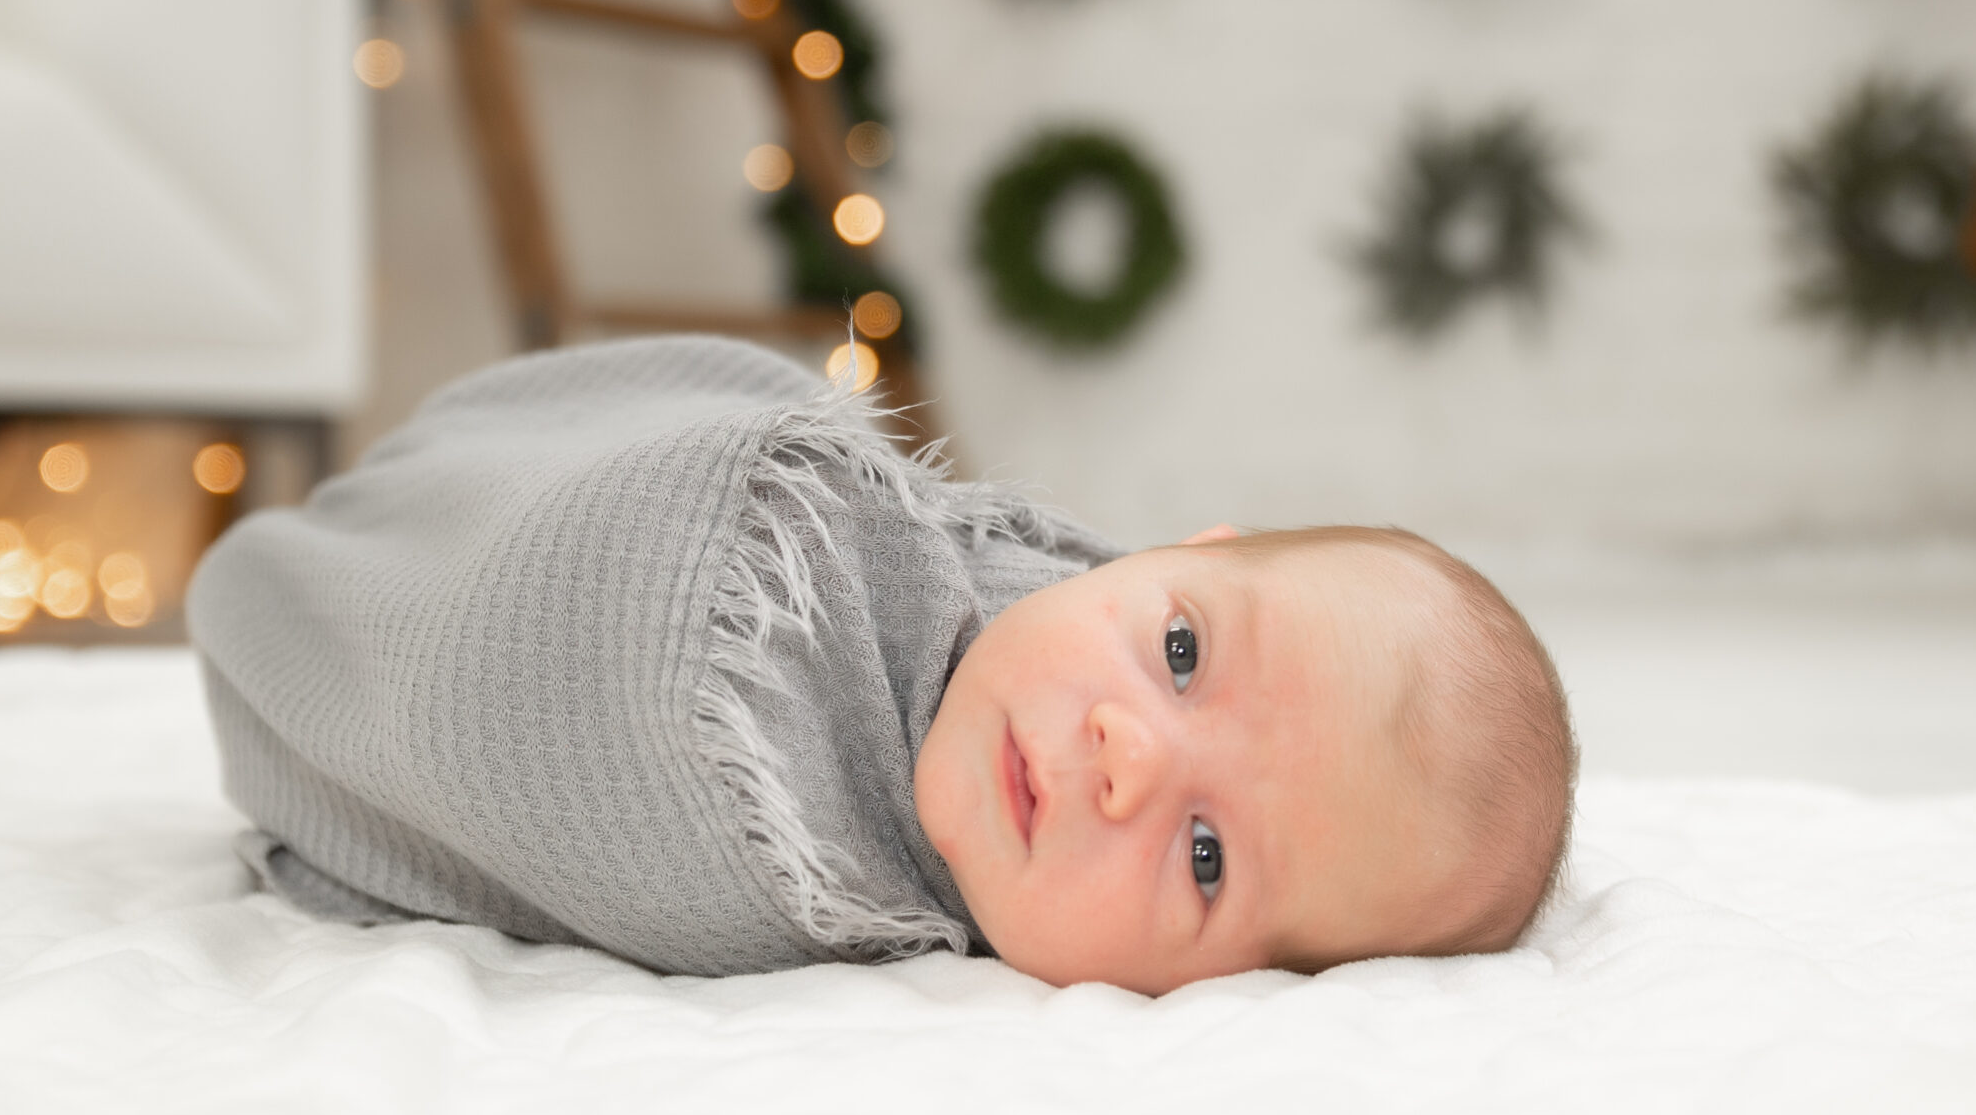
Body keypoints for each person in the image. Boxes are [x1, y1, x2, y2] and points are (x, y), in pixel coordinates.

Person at [189, 336, 1575, 995]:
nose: (1131, 755)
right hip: (497, 508)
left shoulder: (796, 865)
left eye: (1208, 858)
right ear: (1170, 552)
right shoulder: (853, 542)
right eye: (1180, 650)